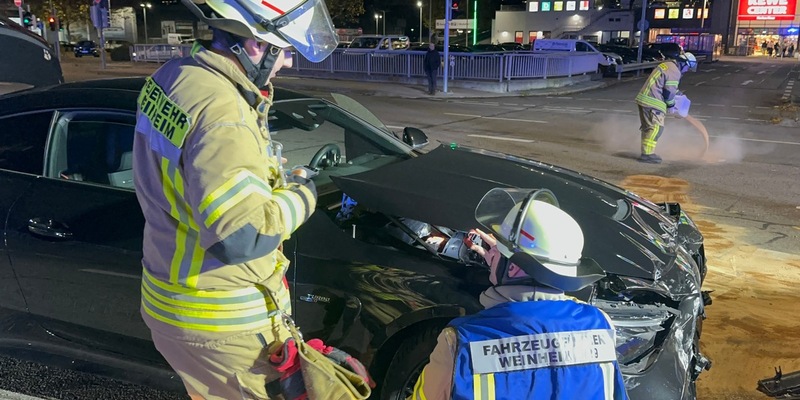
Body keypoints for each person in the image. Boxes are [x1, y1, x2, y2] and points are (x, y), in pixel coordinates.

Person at [131, 0, 337, 397]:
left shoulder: (174, 75)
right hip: (223, 323)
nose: (288, 62)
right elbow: (241, 236)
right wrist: (303, 195)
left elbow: (189, 172)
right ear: (254, 45)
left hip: (171, 301)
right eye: (284, 50)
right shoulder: (224, 112)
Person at [409, 188, 629, 400]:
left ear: (513, 268)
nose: (492, 253)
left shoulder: (462, 341)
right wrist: (504, 260)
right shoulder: (599, 324)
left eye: (498, 249)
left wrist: (502, 267)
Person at [634, 52, 697, 164]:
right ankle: (647, 154)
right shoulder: (675, 71)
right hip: (653, 102)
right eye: (687, 68)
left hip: (645, 99)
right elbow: (668, 92)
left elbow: (664, 85)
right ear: (684, 63)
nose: (686, 71)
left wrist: (679, 94)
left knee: (648, 128)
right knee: (657, 128)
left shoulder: (667, 65)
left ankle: (646, 152)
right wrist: (671, 106)